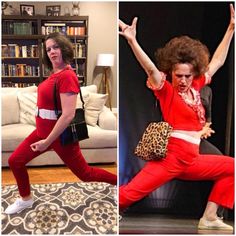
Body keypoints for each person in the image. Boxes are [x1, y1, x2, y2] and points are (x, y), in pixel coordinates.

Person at [119, 4, 234, 230]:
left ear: (194, 74)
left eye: (187, 76)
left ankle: (209, 217)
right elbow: (151, 70)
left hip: (192, 159)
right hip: (170, 159)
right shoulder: (167, 92)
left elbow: (218, 62)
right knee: (126, 196)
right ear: (171, 73)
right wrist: (132, 41)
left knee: (232, 168)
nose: (182, 80)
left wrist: (231, 29)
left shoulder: (197, 84)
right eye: (178, 75)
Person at [5, 32, 117, 214]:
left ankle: (119, 183)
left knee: (85, 174)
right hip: (41, 132)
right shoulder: (54, 74)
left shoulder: (67, 76)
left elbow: (67, 115)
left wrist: (47, 142)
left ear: (64, 48)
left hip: (59, 138)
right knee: (15, 161)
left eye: (55, 47)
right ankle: (25, 199)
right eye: (48, 49)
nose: (52, 52)